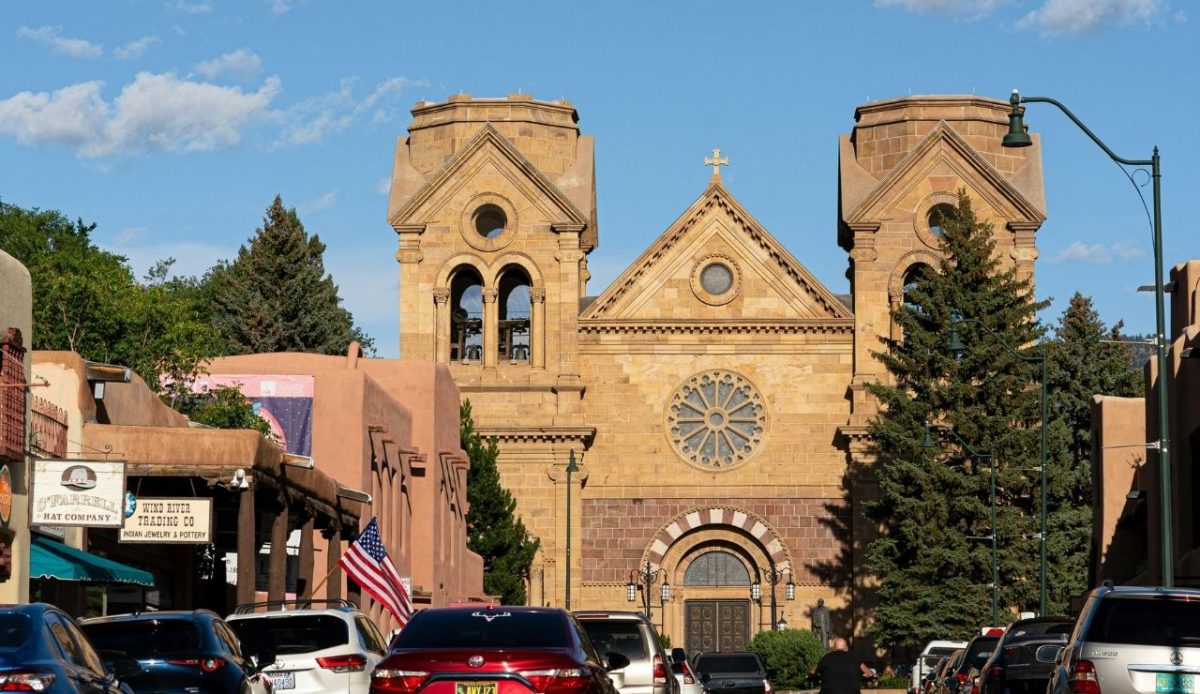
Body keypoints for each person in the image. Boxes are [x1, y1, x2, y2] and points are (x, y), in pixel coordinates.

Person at [811, 637, 876, 694]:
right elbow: (870, 673)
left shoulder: (826, 658)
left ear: (833, 649)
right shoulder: (854, 659)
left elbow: (812, 672)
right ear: (846, 648)